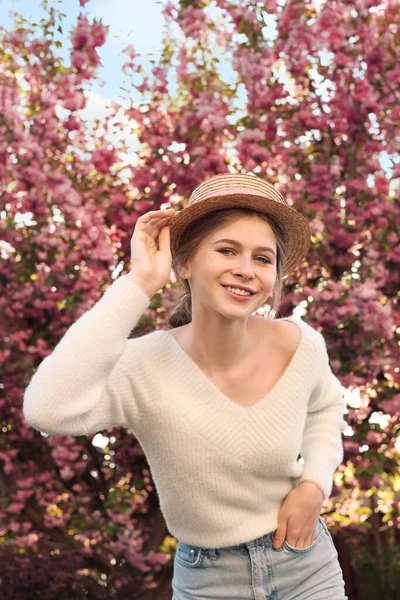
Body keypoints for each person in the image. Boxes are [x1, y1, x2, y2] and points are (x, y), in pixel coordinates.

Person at [23, 173, 348, 599]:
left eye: (263, 258)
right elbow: (47, 409)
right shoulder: (144, 366)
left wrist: (314, 484)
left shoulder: (300, 344)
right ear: (185, 263)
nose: (246, 270)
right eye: (227, 250)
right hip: (209, 580)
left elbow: (327, 408)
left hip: (305, 563)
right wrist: (139, 282)